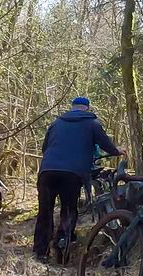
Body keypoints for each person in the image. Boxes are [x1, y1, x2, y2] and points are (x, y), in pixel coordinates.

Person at [33, 97, 126, 262]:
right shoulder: (92, 124)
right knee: (68, 211)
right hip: (72, 174)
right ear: (87, 108)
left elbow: (44, 148)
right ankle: (62, 250)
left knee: (45, 212)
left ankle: (41, 253)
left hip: (47, 172)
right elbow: (106, 145)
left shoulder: (56, 124)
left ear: (72, 107)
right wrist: (117, 151)